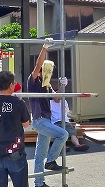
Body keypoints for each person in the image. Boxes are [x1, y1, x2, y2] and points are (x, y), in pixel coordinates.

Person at [27, 38, 69, 187]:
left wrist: (63, 86)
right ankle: (51, 161)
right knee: (63, 134)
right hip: (39, 120)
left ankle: (39, 183)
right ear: (43, 70)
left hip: (46, 121)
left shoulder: (47, 84)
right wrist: (44, 48)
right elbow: (38, 65)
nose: (50, 73)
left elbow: (57, 98)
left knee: (39, 156)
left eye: (51, 71)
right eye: (48, 70)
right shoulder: (33, 80)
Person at [0, 70, 31, 187]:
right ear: (11, 85)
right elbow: (26, 124)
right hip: (15, 152)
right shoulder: (18, 102)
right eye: (14, 83)